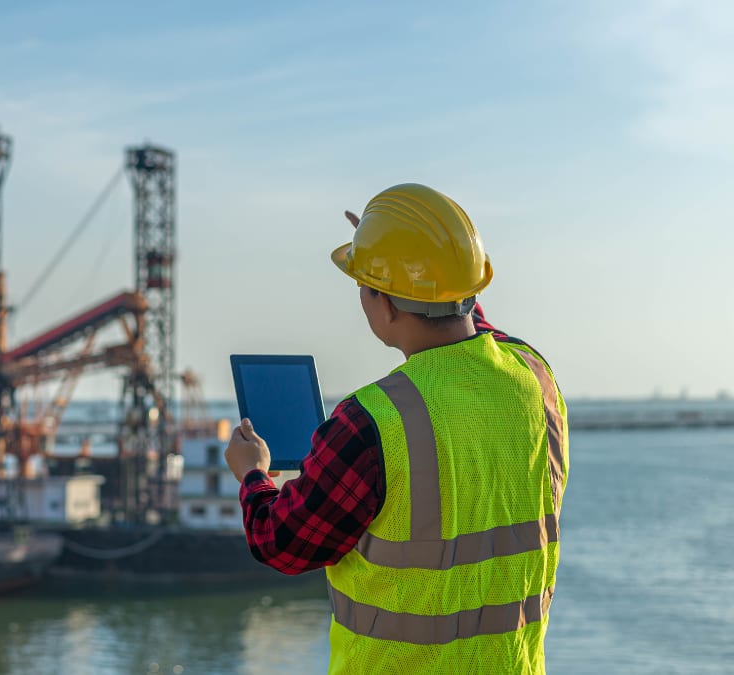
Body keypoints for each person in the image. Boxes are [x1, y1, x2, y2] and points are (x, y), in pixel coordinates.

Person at [224, 183, 568, 674]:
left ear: (383, 305)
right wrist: (405, 256)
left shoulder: (370, 422)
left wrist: (253, 474)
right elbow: (469, 319)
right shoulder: (535, 376)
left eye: (363, 286)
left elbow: (282, 542)